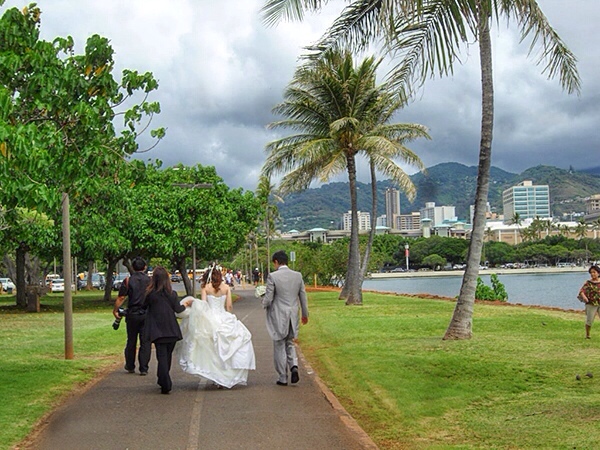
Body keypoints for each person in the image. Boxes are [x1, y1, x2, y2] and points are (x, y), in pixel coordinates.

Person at [176, 266, 255, 388]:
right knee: (226, 348)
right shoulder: (226, 288)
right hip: (224, 317)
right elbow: (229, 306)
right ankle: (225, 375)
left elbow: (204, 305)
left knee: (213, 349)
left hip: (210, 318)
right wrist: (229, 317)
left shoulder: (205, 288)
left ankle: (216, 376)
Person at [262, 250, 309, 386]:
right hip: (293, 314)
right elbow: (303, 297)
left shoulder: (273, 276)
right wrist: (305, 314)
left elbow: (269, 298)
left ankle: (283, 376)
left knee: (279, 343)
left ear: (276, 262)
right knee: (290, 342)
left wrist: (263, 303)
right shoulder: (297, 276)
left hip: (279, 315)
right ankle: (294, 365)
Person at [143, 266, 192, 394]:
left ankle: (164, 381)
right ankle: (164, 379)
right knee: (167, 356)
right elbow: (178, 310)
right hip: (171, 329)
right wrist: (186, 304)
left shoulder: (150, 294)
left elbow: (143, 306)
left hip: (157, 330)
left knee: (162, 356)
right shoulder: (172, 294)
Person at [113, 257, 151, 375]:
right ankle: (143, 368)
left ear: (133, 268)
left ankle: (130, 365)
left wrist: (115, 310)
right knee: (145, 342)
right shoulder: (150, 281)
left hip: (132, 314)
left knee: (131, 340)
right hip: (146, 313)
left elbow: (121, 297)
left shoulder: (128, 281)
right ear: (145, 267)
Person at [578, 265, 600, 339]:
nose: (592, 274)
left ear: (598, 273)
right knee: (589, 321)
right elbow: (581, 291)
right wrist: (584, 297)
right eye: (591, 272)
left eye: (594, 272)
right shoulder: (588, 282)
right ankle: (587, 334)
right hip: (591, 304)